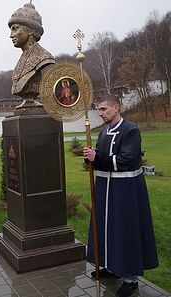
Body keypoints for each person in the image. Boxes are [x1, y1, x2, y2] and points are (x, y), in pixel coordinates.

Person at [83, 94, 158, 297]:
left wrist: (98, 157)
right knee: (107, 227)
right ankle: (110, 265)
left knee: (126, 230)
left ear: (117, 108)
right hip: (104, 189)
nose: (100, 113)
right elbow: (102, 158)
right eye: (98, 110)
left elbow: (127, 159)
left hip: (126, 190)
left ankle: (130, 279)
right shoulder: (104, 131)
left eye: (104, 109)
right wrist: (91, 157)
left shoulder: (131, 130)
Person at [8, 3, 55, 106]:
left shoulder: (43, 57)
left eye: (15, 29)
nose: (11, 35)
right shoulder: (21, 60)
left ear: (30, 30)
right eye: (11, 30)